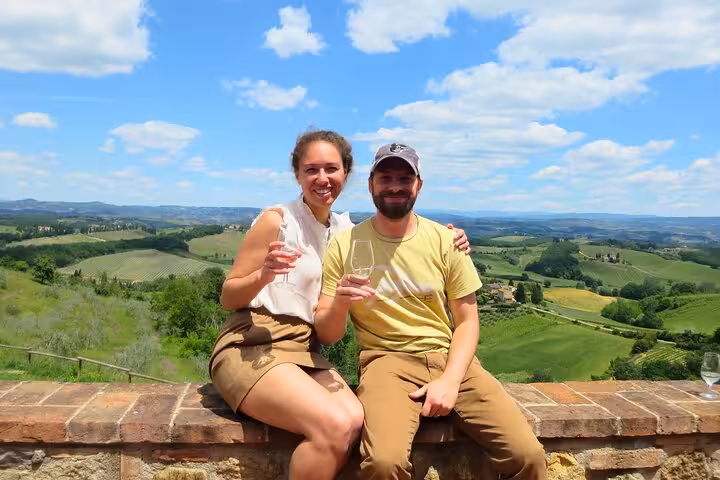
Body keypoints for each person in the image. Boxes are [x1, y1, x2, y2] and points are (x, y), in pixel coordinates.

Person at [210, 131, 470, 480]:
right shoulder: (277, 220)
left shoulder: (344, 231)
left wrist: (451, 237)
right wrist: (263, 276)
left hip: (304, 348)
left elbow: (395, 232)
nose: (322, 179)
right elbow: (229, 296)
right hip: (253, 343)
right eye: (311, 169)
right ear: (298, 175)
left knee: (355, 419)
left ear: (346, 174)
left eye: (331, 168)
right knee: (333, 425)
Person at [315, 143, 547, 480]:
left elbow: (467, 322)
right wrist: (340, 303)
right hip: (386, 361)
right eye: (386, 177)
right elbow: (327, 333)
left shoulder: (445, 241)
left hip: (449, 359)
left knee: (528, 456)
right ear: (370, 184)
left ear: (419, 186)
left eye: (405, 178)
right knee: (383, 463)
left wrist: (451, 381)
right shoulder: (345, 244)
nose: (395, 186)